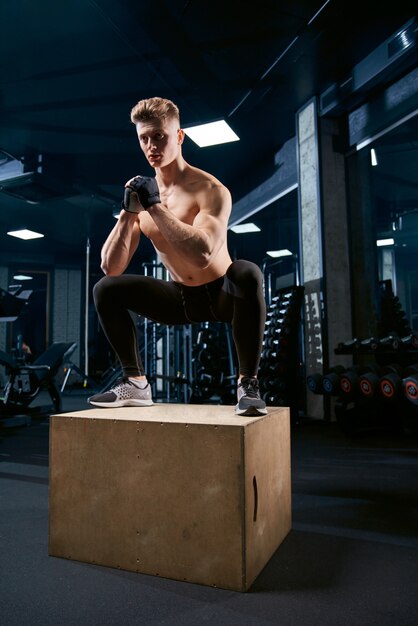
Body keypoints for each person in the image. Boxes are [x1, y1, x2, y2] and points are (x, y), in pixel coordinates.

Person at [88, 97, 267, 416]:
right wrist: (129, 213)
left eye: (159, 136)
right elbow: (111, 266)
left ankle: (247, 383)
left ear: (179, 136)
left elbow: (202, 254)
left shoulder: (209, 189)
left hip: (224, 294)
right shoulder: (142, 197)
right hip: (181, 298)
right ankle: (136, 383)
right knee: (105, 288)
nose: (151, 145)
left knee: (247, 272)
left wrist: (155, 207)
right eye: (144, 138)